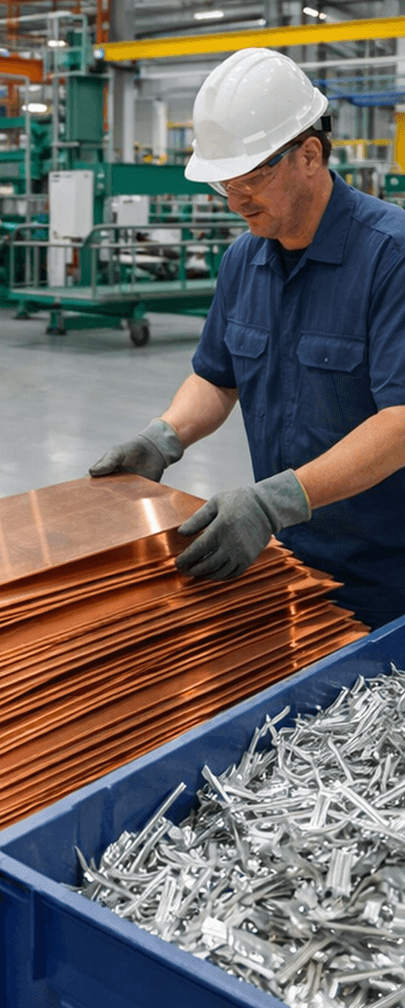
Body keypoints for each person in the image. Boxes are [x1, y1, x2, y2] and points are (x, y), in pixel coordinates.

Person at [90, 47, 405, 630]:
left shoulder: (391, 257)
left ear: (309, 155)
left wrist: (272, 501)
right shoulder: (244, 260)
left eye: (250, 179)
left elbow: (401, 422)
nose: (236, 202)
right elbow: (218, 376)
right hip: (285, 560)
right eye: (222, 186)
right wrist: (163, 437)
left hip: (388, 577)